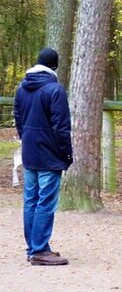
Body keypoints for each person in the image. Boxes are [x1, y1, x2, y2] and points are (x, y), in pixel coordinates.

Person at [13, 47, 73, 266]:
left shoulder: (22, 87)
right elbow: (61, 127)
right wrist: (66, 153)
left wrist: (27, 140)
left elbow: (18, 118)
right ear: (54, 66)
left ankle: (35, 247)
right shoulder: (55, 90)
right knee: (45, 202)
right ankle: (39, 249)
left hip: (30, 152)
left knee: (31, 201)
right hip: (49, 154)